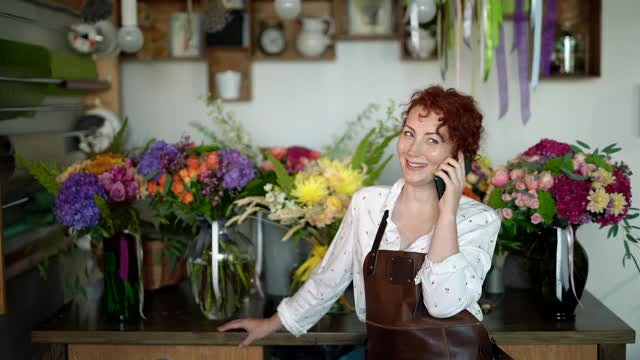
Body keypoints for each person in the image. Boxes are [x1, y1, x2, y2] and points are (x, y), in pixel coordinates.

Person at [218, 85, 501, 354]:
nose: (413, 151)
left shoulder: (479, 220)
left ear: (458, 156)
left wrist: (447, 213)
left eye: (432, 140)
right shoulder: (368, 204)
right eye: (409, 133)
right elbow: (329, 278)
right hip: (385, 354)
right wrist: (272, 323)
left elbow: (443, 304)